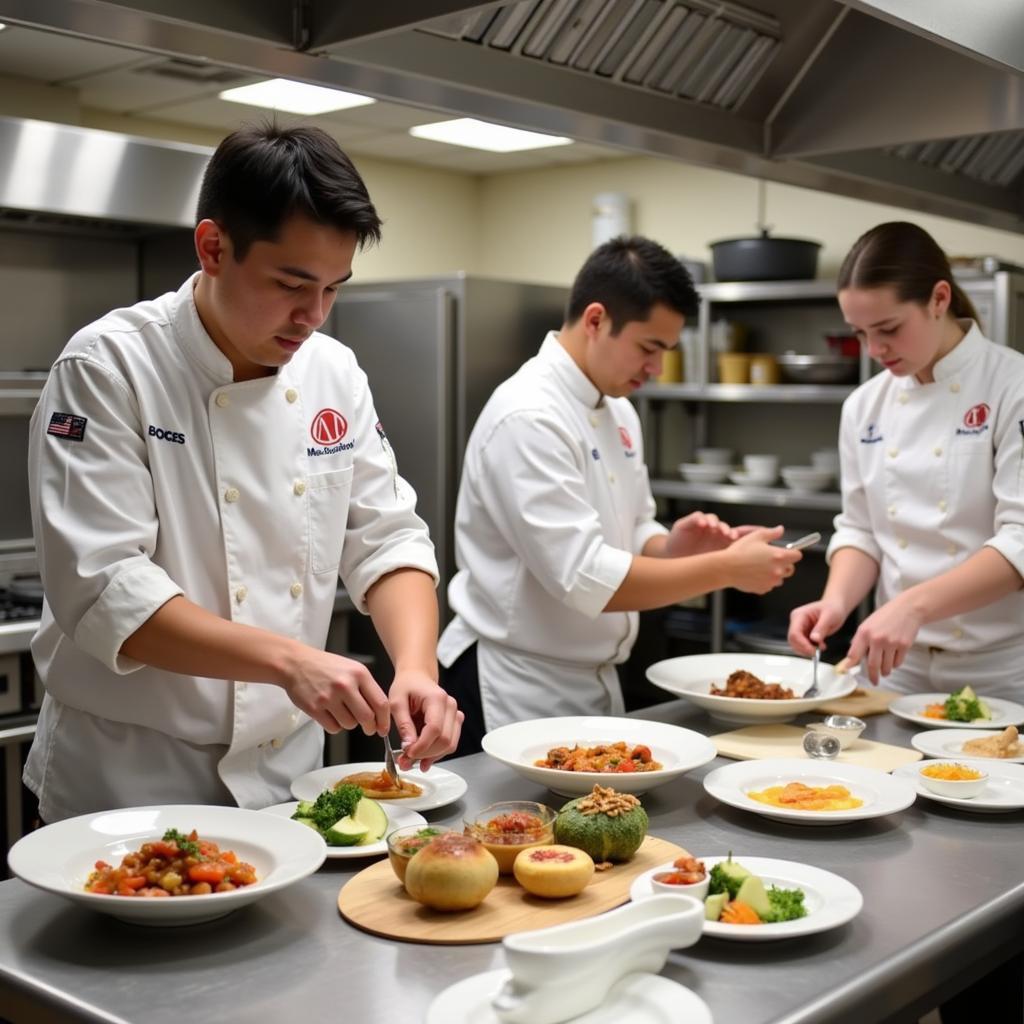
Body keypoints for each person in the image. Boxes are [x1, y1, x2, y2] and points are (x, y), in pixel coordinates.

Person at [25, 124, 461, 823]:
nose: (312, 317)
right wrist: (289, 661)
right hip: (133, 780)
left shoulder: (333, 373)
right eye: (291, 285)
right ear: (213, 247)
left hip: (290, 775)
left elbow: (386, 538)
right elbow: (107, 590)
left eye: (332, 289)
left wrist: (416, 667)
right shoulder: (109, 367)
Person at [437, 235, 802, 755]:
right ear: (595, 320)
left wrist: (676, 548)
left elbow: (632, 532)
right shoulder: (529, 416)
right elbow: (588, 578)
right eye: (649, 348)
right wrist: (726, 570)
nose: (656, 368)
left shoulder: (618, 409)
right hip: (514, 685)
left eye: (665, 351)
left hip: (593, 680)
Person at [788, 221, 1024, 696]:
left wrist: (912, 606)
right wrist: (835, 602)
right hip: (894, 667)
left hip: (1001, 670)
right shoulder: (864, 406)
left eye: (889, 329)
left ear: (939, 299)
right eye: (860, 334)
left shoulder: (1012, 386)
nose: (875, 351)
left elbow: (1021, 539)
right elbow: (861, 530)